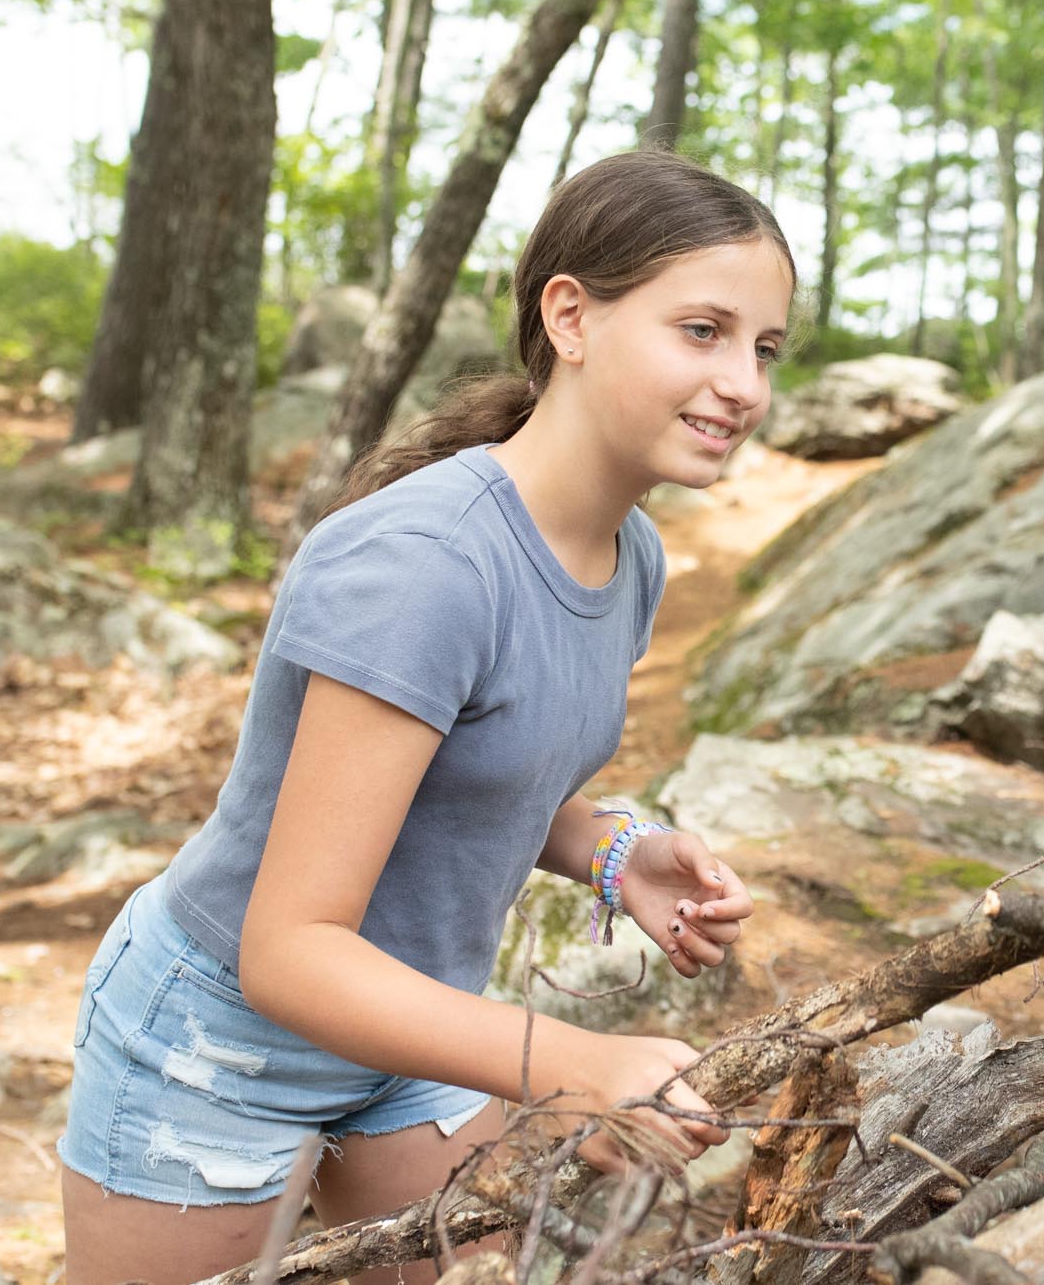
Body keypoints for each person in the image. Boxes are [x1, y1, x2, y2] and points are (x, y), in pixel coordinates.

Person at [59, 151, 796, 1284]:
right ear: (570, 317)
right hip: (218, 1041)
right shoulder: (424, 568)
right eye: (702, 330)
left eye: (764, 348)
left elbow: (485, 779)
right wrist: (575, 1062)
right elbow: (289, 951)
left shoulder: (630, 553)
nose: (743, 383)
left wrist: (616, 853)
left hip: (413, 1030)